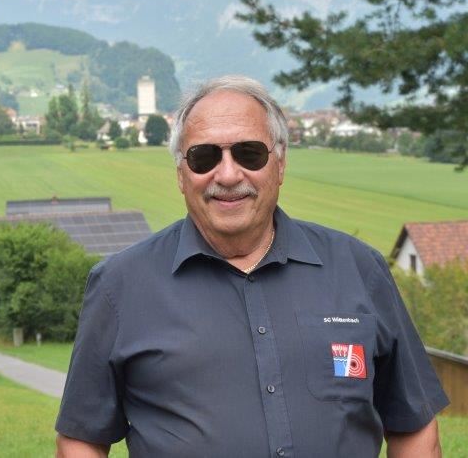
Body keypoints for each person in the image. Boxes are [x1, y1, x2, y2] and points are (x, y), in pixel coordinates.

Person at [55, 75, 448, 457]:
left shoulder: (359, 269)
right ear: (181, 174)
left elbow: (414, 427)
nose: (228, 175)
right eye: (204, 157)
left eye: (249, 153)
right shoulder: (119, 286)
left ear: (280, 163)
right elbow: (81, 440)